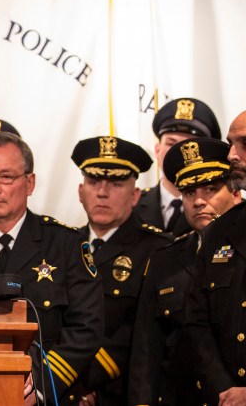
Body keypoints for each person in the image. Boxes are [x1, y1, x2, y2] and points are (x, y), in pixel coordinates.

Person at [0, 131, 103, 404]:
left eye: (6, 177)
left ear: (30, 183)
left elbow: (86, 328)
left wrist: (40, 384)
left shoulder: (65, 243)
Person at [129, 137, 240, 405]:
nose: (199, 201)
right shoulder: (165, 259)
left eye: (211, 189)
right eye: (189, 192)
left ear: (236, 193)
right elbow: (146, 349)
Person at [70, 136, 171, 404]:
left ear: (135, 196)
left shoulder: (158, 250)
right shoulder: (63, 245)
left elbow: (142, 334)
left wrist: (80, 382)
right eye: (94, 182)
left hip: (124, 393)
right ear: (80, 191)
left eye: (116, 184)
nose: (102, 193)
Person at [186, 108, 246, 404]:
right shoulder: (218, 231)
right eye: (231, 144)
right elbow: (197, 321)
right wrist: (224, 389)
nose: (231, 155)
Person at [135, 98, 222, 236]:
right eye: (171, 144)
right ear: (157, 150)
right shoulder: (131, 206)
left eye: (189, 147)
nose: (178, 153)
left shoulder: (228, 208)